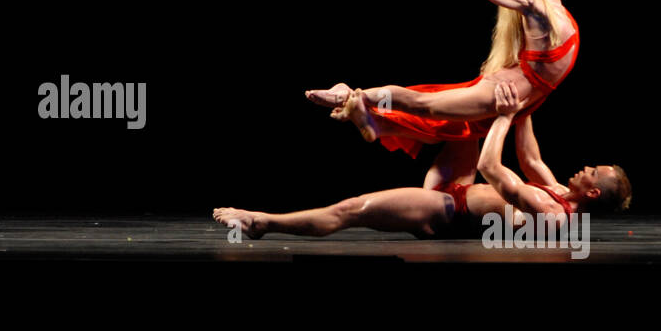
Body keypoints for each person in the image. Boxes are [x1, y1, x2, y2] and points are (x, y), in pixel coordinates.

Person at [214, 83, 628, 241]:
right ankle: (371, 117)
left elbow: (493, 168)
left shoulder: (552, 213)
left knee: (351, 209)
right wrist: (527, 96)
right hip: (459, 186)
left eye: (591, 172)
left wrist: (506, 115)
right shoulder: (559, 192)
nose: (584, 166)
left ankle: (261, 222)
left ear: (591, 191)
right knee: (468, 115)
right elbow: (530, 156)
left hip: (445, 210)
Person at [304, 0, 579, 158]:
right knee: (423, 105)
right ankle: (349, 96)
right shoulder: (535, 4)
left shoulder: (547, 4)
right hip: (499, 93)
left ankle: (368, 113)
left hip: (514, 93)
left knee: (436, 123)